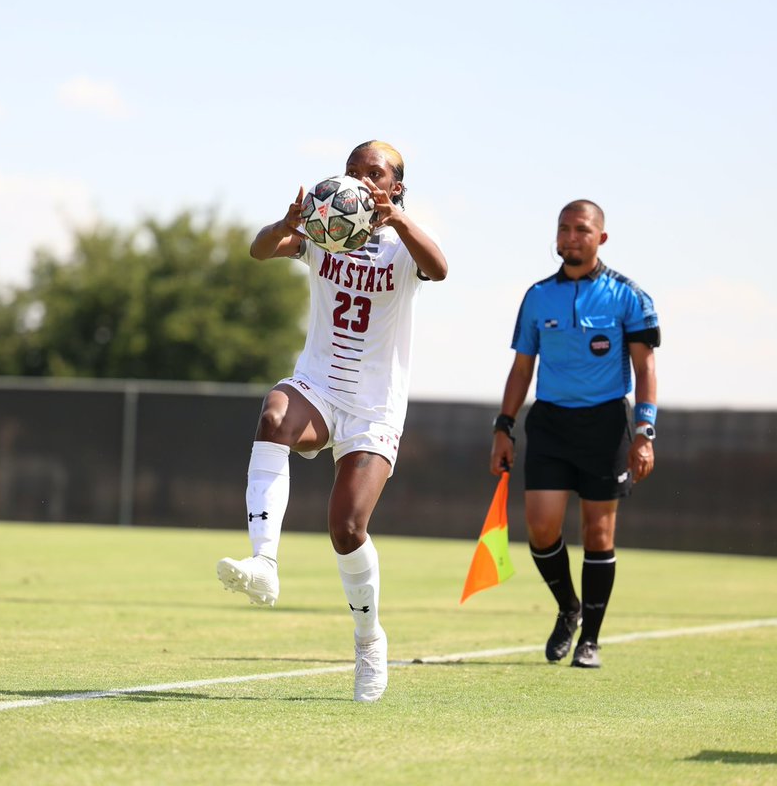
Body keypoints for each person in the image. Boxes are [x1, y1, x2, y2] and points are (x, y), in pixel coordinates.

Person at [217, 140, 448, 702]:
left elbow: (438, 268)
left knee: (346, 529)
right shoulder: (326, 231)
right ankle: (264, 563)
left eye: (375, 173)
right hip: (319, 387)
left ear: (395, 185)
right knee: (274, 413)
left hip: (374, 406)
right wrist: (288, 221)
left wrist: (399, 219)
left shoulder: (400, 245)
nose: (361, 181)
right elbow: (259, 249)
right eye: (353, 171)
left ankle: (369, 640)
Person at [489, 199, 659, 669]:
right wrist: (504, 427)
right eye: (563, 229)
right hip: (549, 423)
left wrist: (645, 433)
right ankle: (569, 608)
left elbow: (646, 369)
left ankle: (592, 640)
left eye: (581, 229)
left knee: (597, 532)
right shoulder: (538, 296)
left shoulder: (630, 296)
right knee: (541, 529)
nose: (569, 237)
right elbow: (522, 368)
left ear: (600, 237)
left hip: (606, 426)